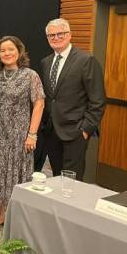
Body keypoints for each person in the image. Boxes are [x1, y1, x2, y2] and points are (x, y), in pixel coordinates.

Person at [0, 36, 45, 228]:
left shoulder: (30, 75)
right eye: (2, 51)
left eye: (10, 49)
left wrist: (32, 134)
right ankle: (1, 213)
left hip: (18, 135)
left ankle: (11, 216)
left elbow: (39, 103)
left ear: (19, 51)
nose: (7, 53)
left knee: (14, 175)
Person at [38, 18, 105, 180]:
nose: (55, 38)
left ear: (70, 35)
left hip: (75, 132)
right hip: (51, 132)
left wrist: (85, 130)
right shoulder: (45, 62)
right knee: (55, 177)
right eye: (51, 35)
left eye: (60, 33)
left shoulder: (86, 61)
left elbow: (98, 100)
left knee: (72, 181)